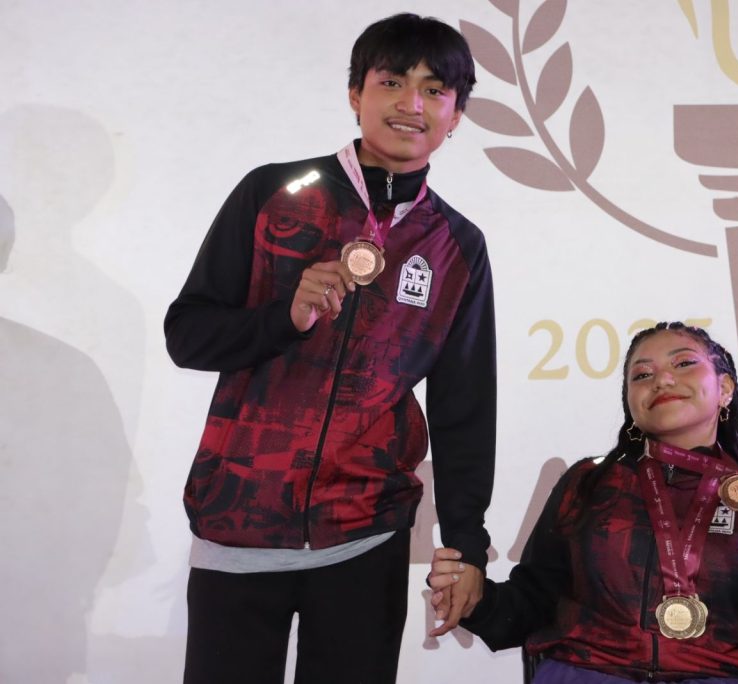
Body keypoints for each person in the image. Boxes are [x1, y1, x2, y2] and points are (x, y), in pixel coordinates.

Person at [165, 13, 495, 684]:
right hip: (239, 521)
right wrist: (283, 318)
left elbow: (464, 406)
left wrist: (465, 544)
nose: (411, 104)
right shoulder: (272, 194)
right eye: (391, 81)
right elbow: (188, 335)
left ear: (457, 115)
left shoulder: (458, 246)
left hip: (366, 533)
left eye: (435, 90)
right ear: (355, 94)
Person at [430, 322, 738, 683]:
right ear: (631, 402)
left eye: (683, 363)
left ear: (726, 389)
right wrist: (475, 601)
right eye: (642, 375)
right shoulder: (586, 484)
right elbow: (533, 606)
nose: (662, 380)